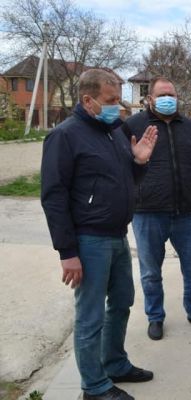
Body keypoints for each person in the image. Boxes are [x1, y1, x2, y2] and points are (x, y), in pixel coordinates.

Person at [41, 69, 158, 400]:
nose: (117, 106)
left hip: (118, 235)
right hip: (89, 240)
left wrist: (139, 163)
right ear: (87, 100)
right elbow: (53, 197)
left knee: (122, 301)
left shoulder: (114, 132)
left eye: (118, 99)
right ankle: (94, 387)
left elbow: (126, 181)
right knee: (90, 316)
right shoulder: (65, 136)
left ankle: (115, 364)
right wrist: (67, 252)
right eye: (110, 100)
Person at [121, 76, 191, 341]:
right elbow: (123, 165)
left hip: (185, 214)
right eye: (162, 95)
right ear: (150, 99)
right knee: (151, 273)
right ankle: (155, 317)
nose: (168, 99)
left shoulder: (189, 127)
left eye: (172, 94)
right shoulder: (132, 126)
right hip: (148, 213)